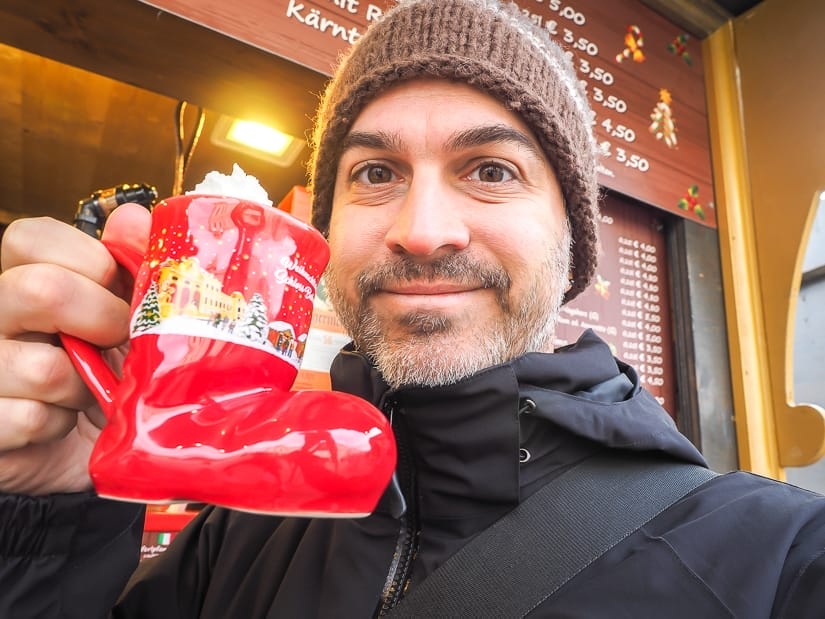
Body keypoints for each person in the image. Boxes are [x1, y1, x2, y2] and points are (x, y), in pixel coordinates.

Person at [0, 0, 823, 616]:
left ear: (571, 238)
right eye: (374, 173)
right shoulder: (231, 539)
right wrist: (46, 513)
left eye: (491, 170)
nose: (422, 231)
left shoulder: (777, 558)